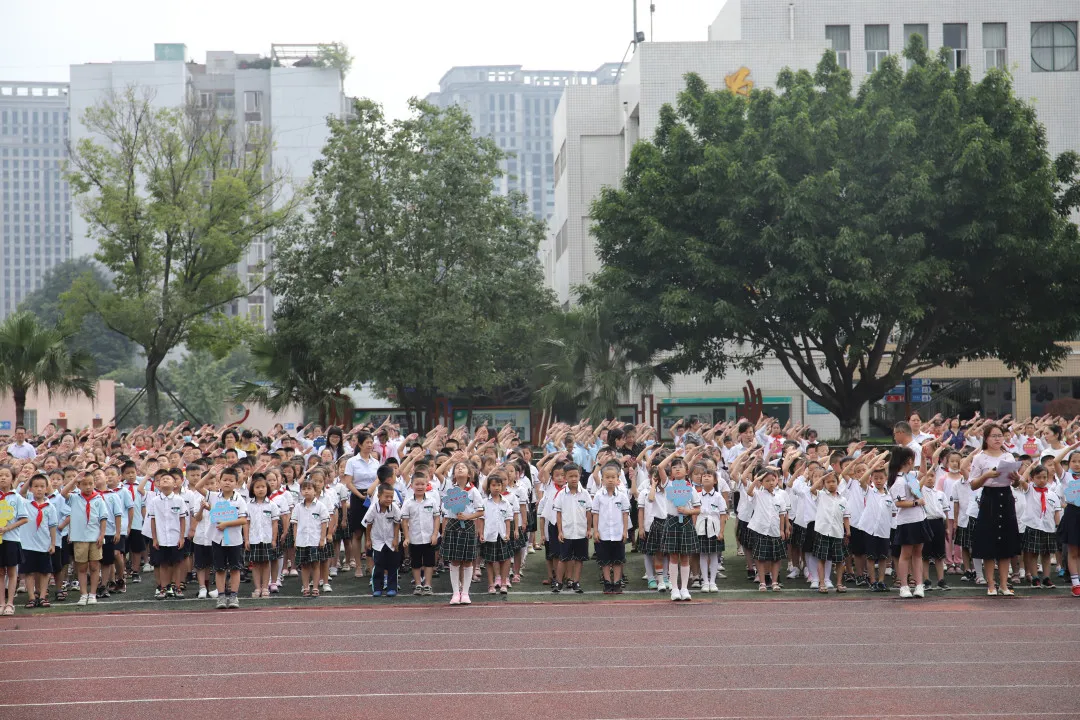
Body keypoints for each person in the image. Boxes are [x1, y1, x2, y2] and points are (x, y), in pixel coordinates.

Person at [968, 423, 1023, 596]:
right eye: (994, 436)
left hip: (1006, 497)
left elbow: (1016, 483)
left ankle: (1004, 584)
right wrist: (986, 475)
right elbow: (973, 484)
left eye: (1000, 435)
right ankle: (991, 583)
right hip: (989, 498)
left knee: (1006, 543)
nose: (998, 439)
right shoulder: (980, 458)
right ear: (986, 438)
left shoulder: (1008, 456)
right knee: (989, 543)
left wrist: (1015, 479)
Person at [59, 470, 107, 607]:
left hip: (95, 537)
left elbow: (103, 518)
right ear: (79, 486)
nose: (88, 487)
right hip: (80, 538)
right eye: (84, 484)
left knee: (94, 565)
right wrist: (75, 479)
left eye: (90, 484)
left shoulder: (98, 499)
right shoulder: (74, 498)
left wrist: (102, 534)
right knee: (81, 567)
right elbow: (63, 493)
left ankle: (92, 593)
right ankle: (83, 593)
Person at [441, 461, 484, 605]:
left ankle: (465, 592)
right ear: (454, 475)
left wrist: (467, 517)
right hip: (453, 525)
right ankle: (455, 593)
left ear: (469, 475)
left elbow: (481, 510)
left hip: (468, 526)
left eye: (463, 467)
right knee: (454, 560)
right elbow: (446, 511)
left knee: (467, 561)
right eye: (457, 467)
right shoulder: (451, 490)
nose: (460, 468)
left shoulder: (473, 491)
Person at [889, 447, 928, 599]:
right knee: (905, 554)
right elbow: (899, 503)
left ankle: (919, 585)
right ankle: (904, 586)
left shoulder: (910, 475)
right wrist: (916, 503)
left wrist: (925, 458)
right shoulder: (898, 480)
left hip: (919, 519)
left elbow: (923, 473)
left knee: (918, 553)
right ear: (909, 461)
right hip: (907, 522)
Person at [147, 469, 188, 600]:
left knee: (176, 563)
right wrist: (154, 538)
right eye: (162, 479)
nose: (165, 480)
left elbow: (182, 519)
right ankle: (164, 588)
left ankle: (177, 587)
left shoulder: (179, 500)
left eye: (168, 479)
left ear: (175, 484)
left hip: (175, 538)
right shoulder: (154, 501)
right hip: (161, 538)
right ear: (158, 484)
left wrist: (182, 537)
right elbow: (152, 520)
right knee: (163, 564)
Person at [590, 461, 630, 594]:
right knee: (605, 561)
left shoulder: (622, 496)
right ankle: (607, 583)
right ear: (602, 480)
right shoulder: (598, 496)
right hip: (603, 533)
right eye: (607, 477)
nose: (610, 480)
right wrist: (595, 531)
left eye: (613, 477)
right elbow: (595, 514)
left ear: (618, 479)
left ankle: (617, 583)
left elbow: (625, 515)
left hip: (618, 533)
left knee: (618, 560)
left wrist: (625, 531)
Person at [344, 432, 380, 579]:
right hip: (357, 497)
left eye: (371, 442)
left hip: (372, 497)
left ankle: (370, 566)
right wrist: (360, 495)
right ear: (359, 444)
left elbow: (379, 479)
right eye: (367, 442)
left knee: (370, 533)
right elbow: (348, 482)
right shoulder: (352, 461)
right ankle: (358, 566)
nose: (370, 445)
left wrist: (371, 493)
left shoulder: (376, 462)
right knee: (357, 533)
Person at [745, 469, 787, 592]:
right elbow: (749, 491)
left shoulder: (780, 497)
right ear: (762, 482)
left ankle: (774, 582)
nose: (771, 483)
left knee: (776, 557)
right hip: (760, 530)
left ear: (777, 481)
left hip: (775, 530)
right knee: (760, 557)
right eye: (767, 480)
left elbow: (782, 515)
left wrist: (782, 530)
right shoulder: (758, 494)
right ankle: (762, 582)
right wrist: (757, 479)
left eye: (773, 480)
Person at [1018, 464, 1060, 589]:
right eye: (1038, 477)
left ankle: (1046, 578)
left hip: (1048, 527)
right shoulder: (1029, 490)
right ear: (1032, 478)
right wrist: (1030, 468)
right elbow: (1021, 480)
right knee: (1033, 553)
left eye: (1044, 477)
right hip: (1033, 526)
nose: (1042, 480)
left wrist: (1057, 526)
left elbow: (1056, 512)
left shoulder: (1052, 495)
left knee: (1046, 554)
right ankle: (1035, 578)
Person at [18, 474, 57, 609]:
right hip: (28, 544)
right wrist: (31, 477)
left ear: (46, 489)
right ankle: (31, 597)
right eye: (35, 486)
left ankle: (42, 596)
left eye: (42, 487)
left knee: (45, 571)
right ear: (31, 489)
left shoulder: (50, 507)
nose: (39, 489)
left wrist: (53, 543)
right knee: (29, 572)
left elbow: (52, 526)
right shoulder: (25, 503)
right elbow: (21, 492)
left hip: (44, 544)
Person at [810, 469, 850, 593]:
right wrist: (823, 478)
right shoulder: (821, 495)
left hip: (837, 532)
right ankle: (822, 583)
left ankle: (839, 583)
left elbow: (846, 516)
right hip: (823, 531)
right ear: (824, 483)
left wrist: (847, 531)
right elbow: (812, 489)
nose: (831, 484)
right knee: (821, 558)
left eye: (833, 481)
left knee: (839, 559)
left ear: (838, 482)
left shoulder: (843, 500)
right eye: (828, 482)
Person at [401, 474, 440, 596]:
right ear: (411, 485)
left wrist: (435, 534)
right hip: (415, 538)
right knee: (416, 563)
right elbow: (405, 521)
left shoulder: (432, 501)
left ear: (427, 485)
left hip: (429, 538)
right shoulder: (408, 503)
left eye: (422, 484)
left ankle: (428, 584)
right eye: (417, 484)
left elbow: (436, 518)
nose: (420, 487)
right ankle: (418, 584)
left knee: (429, 563)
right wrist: (407, 537)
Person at [554, 463, 590, 594]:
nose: (574, 478)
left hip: (581, 532)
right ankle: (558, 582)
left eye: (576, 476)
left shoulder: (585, 494)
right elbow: (558, 514)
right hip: (567, 533)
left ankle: (576, 582)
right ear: (565, 478)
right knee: (564, 558)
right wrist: (560, 531)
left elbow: (588, 513)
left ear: (580, 476)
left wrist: (588, 529)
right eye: (571, 476)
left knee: (579, 559)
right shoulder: (561, 495)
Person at [361, 483, 402, 597]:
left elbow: (397, 523)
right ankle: (377, 588)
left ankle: (392, 587)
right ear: (379, 496)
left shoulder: (394, 508)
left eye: (391, 496)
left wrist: (395, 539)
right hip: (377, 541)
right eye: (386, 496)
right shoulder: (373, 508)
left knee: (393, 565)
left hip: (391, 541)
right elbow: (368, 524)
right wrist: (368, 540)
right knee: (378, 564)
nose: (389, 499)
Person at [479, 472, 514, 594]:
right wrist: (481, 534)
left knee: (505, 559)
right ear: (489, 487)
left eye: (499, 485)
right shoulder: (484, 502)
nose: (496, 487)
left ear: (502, 486)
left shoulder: (506, 502)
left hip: (502, 535)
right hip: (489, 535)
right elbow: (481, 520)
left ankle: (503, 582)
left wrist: (508, 533)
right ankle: (491, 584)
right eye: (493, 485)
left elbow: (508, 520)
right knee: (489, 560)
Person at [292, 479, 328, 597]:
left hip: (315, 540)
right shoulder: (298, 507)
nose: (306, 491)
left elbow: (324, 523)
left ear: (315, 491)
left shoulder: (320, 506)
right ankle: (306, 586)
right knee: (304, 565)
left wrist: (322, 539)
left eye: (309, 489)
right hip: (302, 541)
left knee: (316, 564)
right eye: (304, 489)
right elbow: (295, 523)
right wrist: (295, 539)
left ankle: (316, 587)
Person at [246, 473, 280, 598]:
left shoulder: (272, 505)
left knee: (266, 563)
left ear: (267, 489)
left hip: (267, 538)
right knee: (255, 564)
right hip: (254, 539)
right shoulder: (248, 505)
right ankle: (257, 588)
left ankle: (265, 587)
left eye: (263, 487)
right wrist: (247, 539)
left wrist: (274, 539)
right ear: (253, 490)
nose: (261, 489)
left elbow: (275, 524)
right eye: (257, 487)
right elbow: (246, 524)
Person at [0, 466, 29, 614]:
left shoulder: (16, 497)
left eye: (6, 475)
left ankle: (10, 603)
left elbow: (24, 519)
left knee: (12, 572)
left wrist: (7, 528)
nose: (3, 478)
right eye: (0, 475)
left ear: (12, 479)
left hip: (11, 539)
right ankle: (1, 603)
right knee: (0, 573)